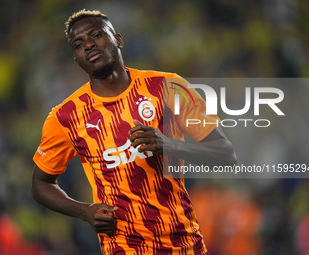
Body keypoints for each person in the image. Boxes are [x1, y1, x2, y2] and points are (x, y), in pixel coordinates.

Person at [32, 9, 236, 255]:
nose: (88, 45)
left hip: (185, 244)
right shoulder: (65, 116)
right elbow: (41, 184)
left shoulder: (168, 87)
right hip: (124, 247)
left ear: (118, 39)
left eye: (96, 35)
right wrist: (85, 211)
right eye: (78, 44)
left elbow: (225, 155)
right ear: (76, 58)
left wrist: (168, 145)